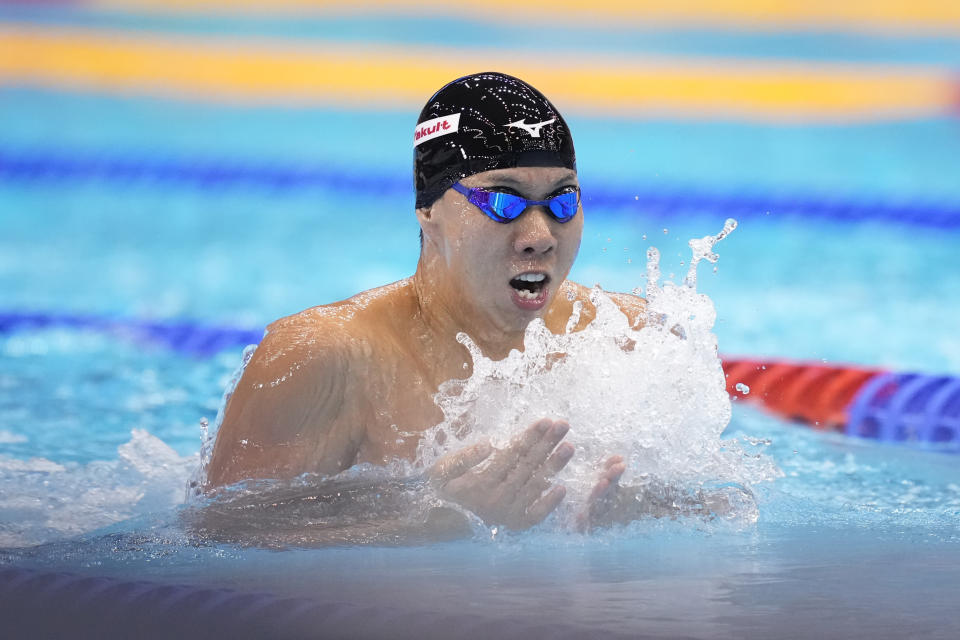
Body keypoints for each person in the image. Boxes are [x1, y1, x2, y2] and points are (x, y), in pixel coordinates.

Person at [205, 72, 647, 534]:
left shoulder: (623, 336)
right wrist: (428, 523)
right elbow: (215, 535)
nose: (539, 237)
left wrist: (638, 514)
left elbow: (713, 504)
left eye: (562, 201)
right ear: (429, 211)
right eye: (503, 201)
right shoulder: (324, 355)